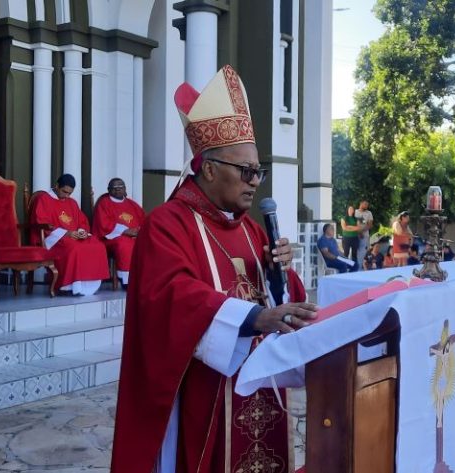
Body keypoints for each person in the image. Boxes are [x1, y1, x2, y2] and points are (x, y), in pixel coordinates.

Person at [110, 65, 317, 473]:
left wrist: (282, 277)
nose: (255, 182)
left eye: (258, 171)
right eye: (246, 171)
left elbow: (280, 302)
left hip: (262, 386)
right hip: (204, 394)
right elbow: (170, 297)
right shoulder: (168, 224)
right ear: (208, 168)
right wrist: (253, 317)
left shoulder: (254, 228)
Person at [32, 174, 109, 295]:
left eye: (70, 193)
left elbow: (82, 221)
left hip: (74, 236)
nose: (67, 196)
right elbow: (41, 222)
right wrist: (66, 233)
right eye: (64, 192)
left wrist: (82, 232)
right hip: (54, 238)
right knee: (74, 248)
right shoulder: (43, 199)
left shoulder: (72, 202)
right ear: (57, 186)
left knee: (97, 245)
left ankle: (89, 286)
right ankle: (67, 286)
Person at [92, 178, 146, 287]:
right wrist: (125, 231)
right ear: (109, 190)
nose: (118, 190)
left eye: (121, 187)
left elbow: (144, 220)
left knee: (147, 243)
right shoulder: (104, 203)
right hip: (110, 238)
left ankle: (144, 278)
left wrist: (139, 231)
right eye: (115, 188)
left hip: (134, 236)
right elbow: (104, 224)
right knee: (124, 244)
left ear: (125, 189)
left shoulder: (132, 204)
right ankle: (126, 280)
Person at [340, 205, 362, 271]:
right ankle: (344, 267)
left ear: (353, 211)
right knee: (346, 253)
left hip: (355, 238)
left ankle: (353, 268)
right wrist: (353, 228)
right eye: (349, 209)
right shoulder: (343, 218)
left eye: (352, 209)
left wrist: (349, 227)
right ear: (347, 210)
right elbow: (344, 228)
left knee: (354, 254)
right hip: (346, 238)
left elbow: (358, 228)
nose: (351, 210)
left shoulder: (356, 219)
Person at [354, 200, 373, 267]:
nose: (366, 206)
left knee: (362, 252)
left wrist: (362, 231)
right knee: (354, 252)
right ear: (361, 203)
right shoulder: (355, 212)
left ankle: (359, 268)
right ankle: (352, 268)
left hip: (364, 236)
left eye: (367, 205)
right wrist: (358, 232)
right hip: (354, 235)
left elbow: (370, 225)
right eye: (365, 204)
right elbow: (352, 223)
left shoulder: (369, 213)